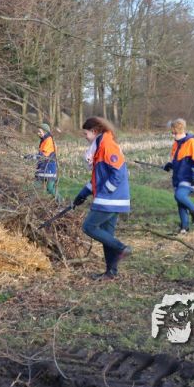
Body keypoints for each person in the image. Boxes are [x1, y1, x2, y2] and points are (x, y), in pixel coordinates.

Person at [72, 117, 132, 280]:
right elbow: (98, 178)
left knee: (88, 227)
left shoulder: (107, 145)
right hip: (109, 199)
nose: (84, 136)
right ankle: (111, 272)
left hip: (110, 200)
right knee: (106, 235)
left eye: (86, 133)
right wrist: (83, 194)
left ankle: (121, 248)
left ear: (94, 131)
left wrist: (106, 192)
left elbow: (118, 174)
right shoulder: (99, 147)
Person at [162, 118, 194, 234]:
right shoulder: (176, 144)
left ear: (180, 131)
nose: (173, 135)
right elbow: (176, 161)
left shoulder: (192, 142)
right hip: (178, 177)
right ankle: (184, 228)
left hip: (189, 177)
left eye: (174, 133)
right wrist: (169, 165)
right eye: (172, 133)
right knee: (180, 202)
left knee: (179, 195)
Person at [24, 123, 59, 199]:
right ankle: (29, 202)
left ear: (45, 132)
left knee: (50, 188)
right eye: (38, 131)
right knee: (35, 188)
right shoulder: (44, 140)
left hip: (49, 169)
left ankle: (61, 202)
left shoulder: (49, 141)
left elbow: (43, 155)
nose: (38, 133)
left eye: (40, 131)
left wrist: (31, 156)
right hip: (42, 168)